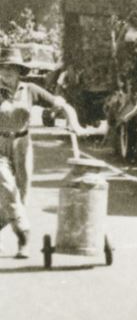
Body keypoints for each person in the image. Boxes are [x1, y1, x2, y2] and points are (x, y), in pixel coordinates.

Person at [0, 47, 83, 258]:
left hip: (23, 144)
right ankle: (24, 236)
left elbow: (62, 105)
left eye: (12, 69)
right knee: (8, 189)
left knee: (21, 195)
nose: (6, 72)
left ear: (20, 71)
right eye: (3, 68)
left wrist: (75, 125)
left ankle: (15, 233)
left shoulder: (30, 90)